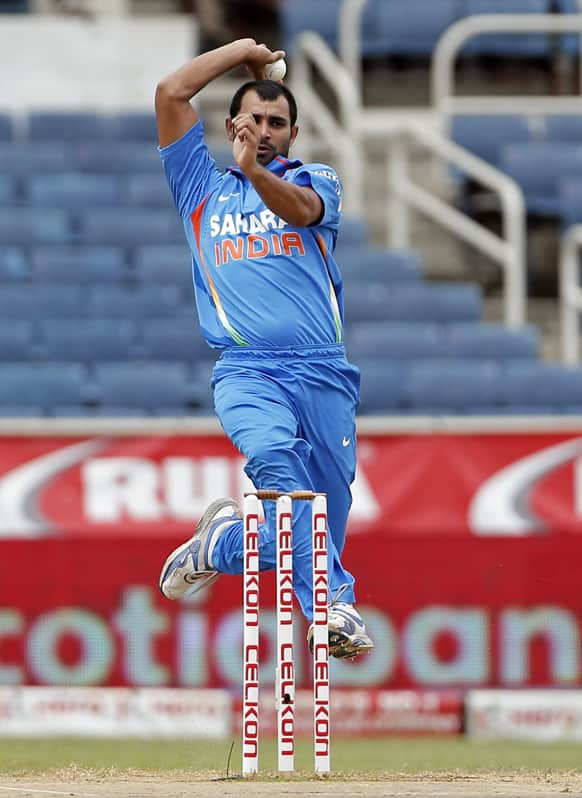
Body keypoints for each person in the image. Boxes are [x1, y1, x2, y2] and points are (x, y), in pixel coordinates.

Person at [156, 38, 374, 660]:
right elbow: (170, 94)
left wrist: (256, 169)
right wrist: (243, 51)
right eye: (254, 120)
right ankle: (333, 605)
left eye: (278, 123)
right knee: (278, 465)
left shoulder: (315, 180)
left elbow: (302, 211)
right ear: (231, 126)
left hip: (326, 373)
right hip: (248, 372)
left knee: (315, 520)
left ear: (295, 132)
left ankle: (220, 545)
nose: (266, 131)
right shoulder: (200, 187)